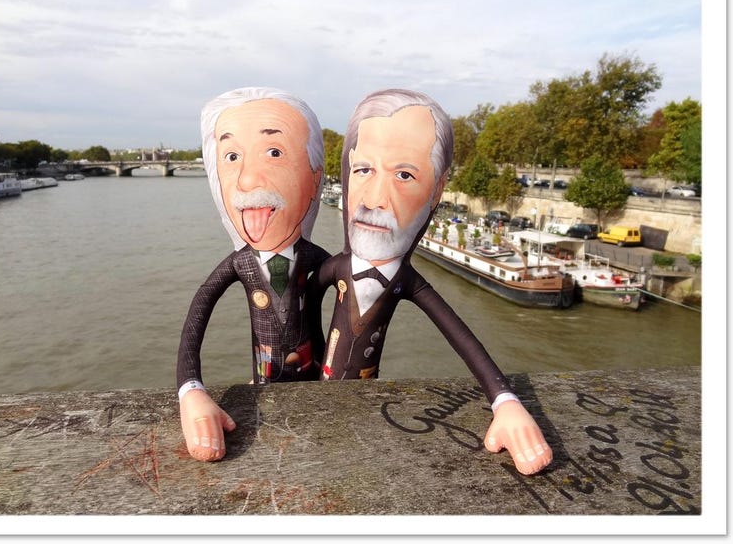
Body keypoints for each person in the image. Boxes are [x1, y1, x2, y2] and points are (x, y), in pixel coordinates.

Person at [308, 88, 552, 475]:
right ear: (348, 171)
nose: (374, 198)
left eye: (404, 175)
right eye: (364, 170)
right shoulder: (332, 268)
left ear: (437, 190)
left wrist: (505, 401)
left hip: (364, 418)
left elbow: (463, 339)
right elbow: (302, 310)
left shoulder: (405, 281)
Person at [177, 87, 330, 462]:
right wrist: (191, 391)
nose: (246, 181)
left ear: (314, 178)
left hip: (322, 396)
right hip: (265, 390)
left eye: (274, 152)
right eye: (231, 157)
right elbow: (195, 324)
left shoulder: (320, 261)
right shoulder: (240, 264)